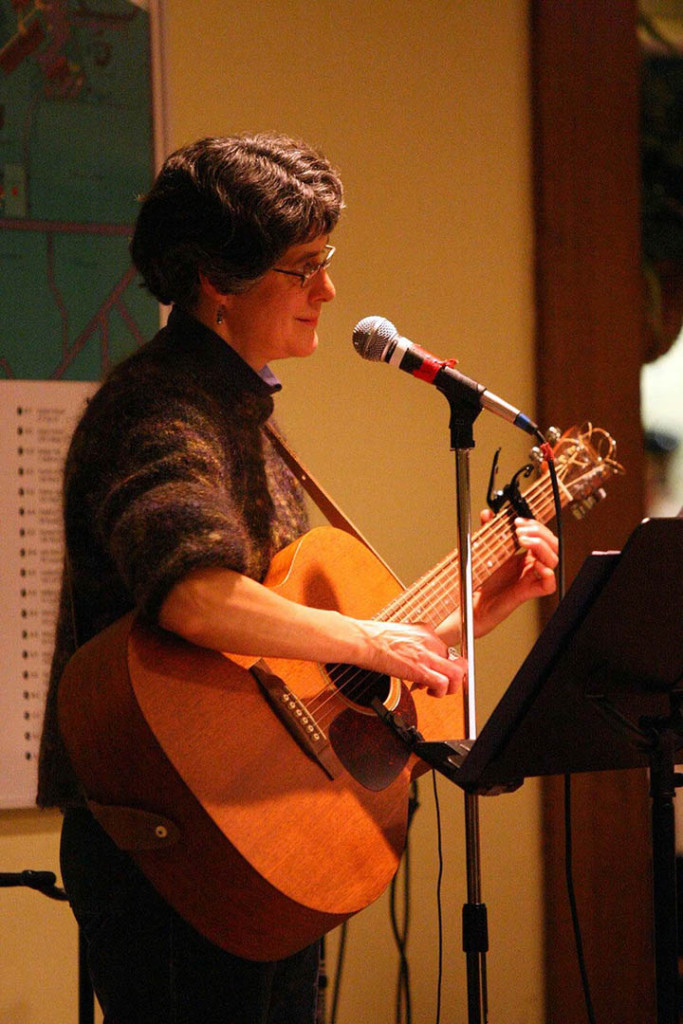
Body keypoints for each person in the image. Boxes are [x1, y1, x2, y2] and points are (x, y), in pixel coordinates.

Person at [37, 133, 559, 1024]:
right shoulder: (158, 411)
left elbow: (305, 672)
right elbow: (193, 595)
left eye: (326, 261)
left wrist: (481, 601)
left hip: (260, 830)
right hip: (178, 845)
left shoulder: (233, 410)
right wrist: (365, 635)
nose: (328, 291)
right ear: (216, 283)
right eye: (302, 267)